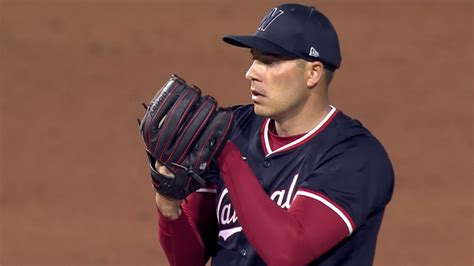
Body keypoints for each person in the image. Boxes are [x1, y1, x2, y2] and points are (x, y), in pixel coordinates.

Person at [154, 3, 394, 266]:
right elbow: (188, 260)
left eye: (269, 61)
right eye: (253, 59)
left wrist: (226, 155)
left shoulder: (356, 157)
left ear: (313, 73)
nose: (251, 73)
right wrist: (168, 206)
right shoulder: (235, 128)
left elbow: (288, 251)